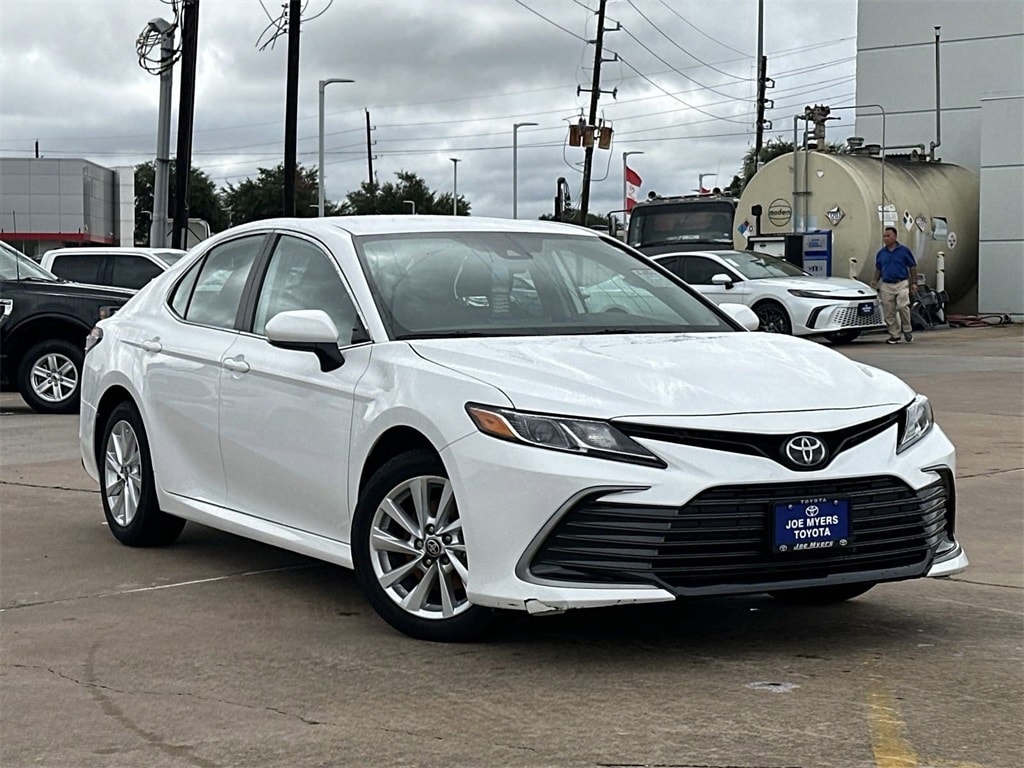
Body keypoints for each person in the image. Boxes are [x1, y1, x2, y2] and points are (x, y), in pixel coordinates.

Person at [872, 226, 918, 344]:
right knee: (889, 311)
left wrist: (913, 283)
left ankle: (907, 329)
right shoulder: (881, 253)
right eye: (884, 236)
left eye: (888, 236)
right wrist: (874, 281)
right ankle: (895, 335)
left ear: (895, 237)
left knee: (903, 306)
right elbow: (878, 269)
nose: (886, 238)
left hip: (901, 283)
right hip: (886, 284)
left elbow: (912, 266)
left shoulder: (904, 251)